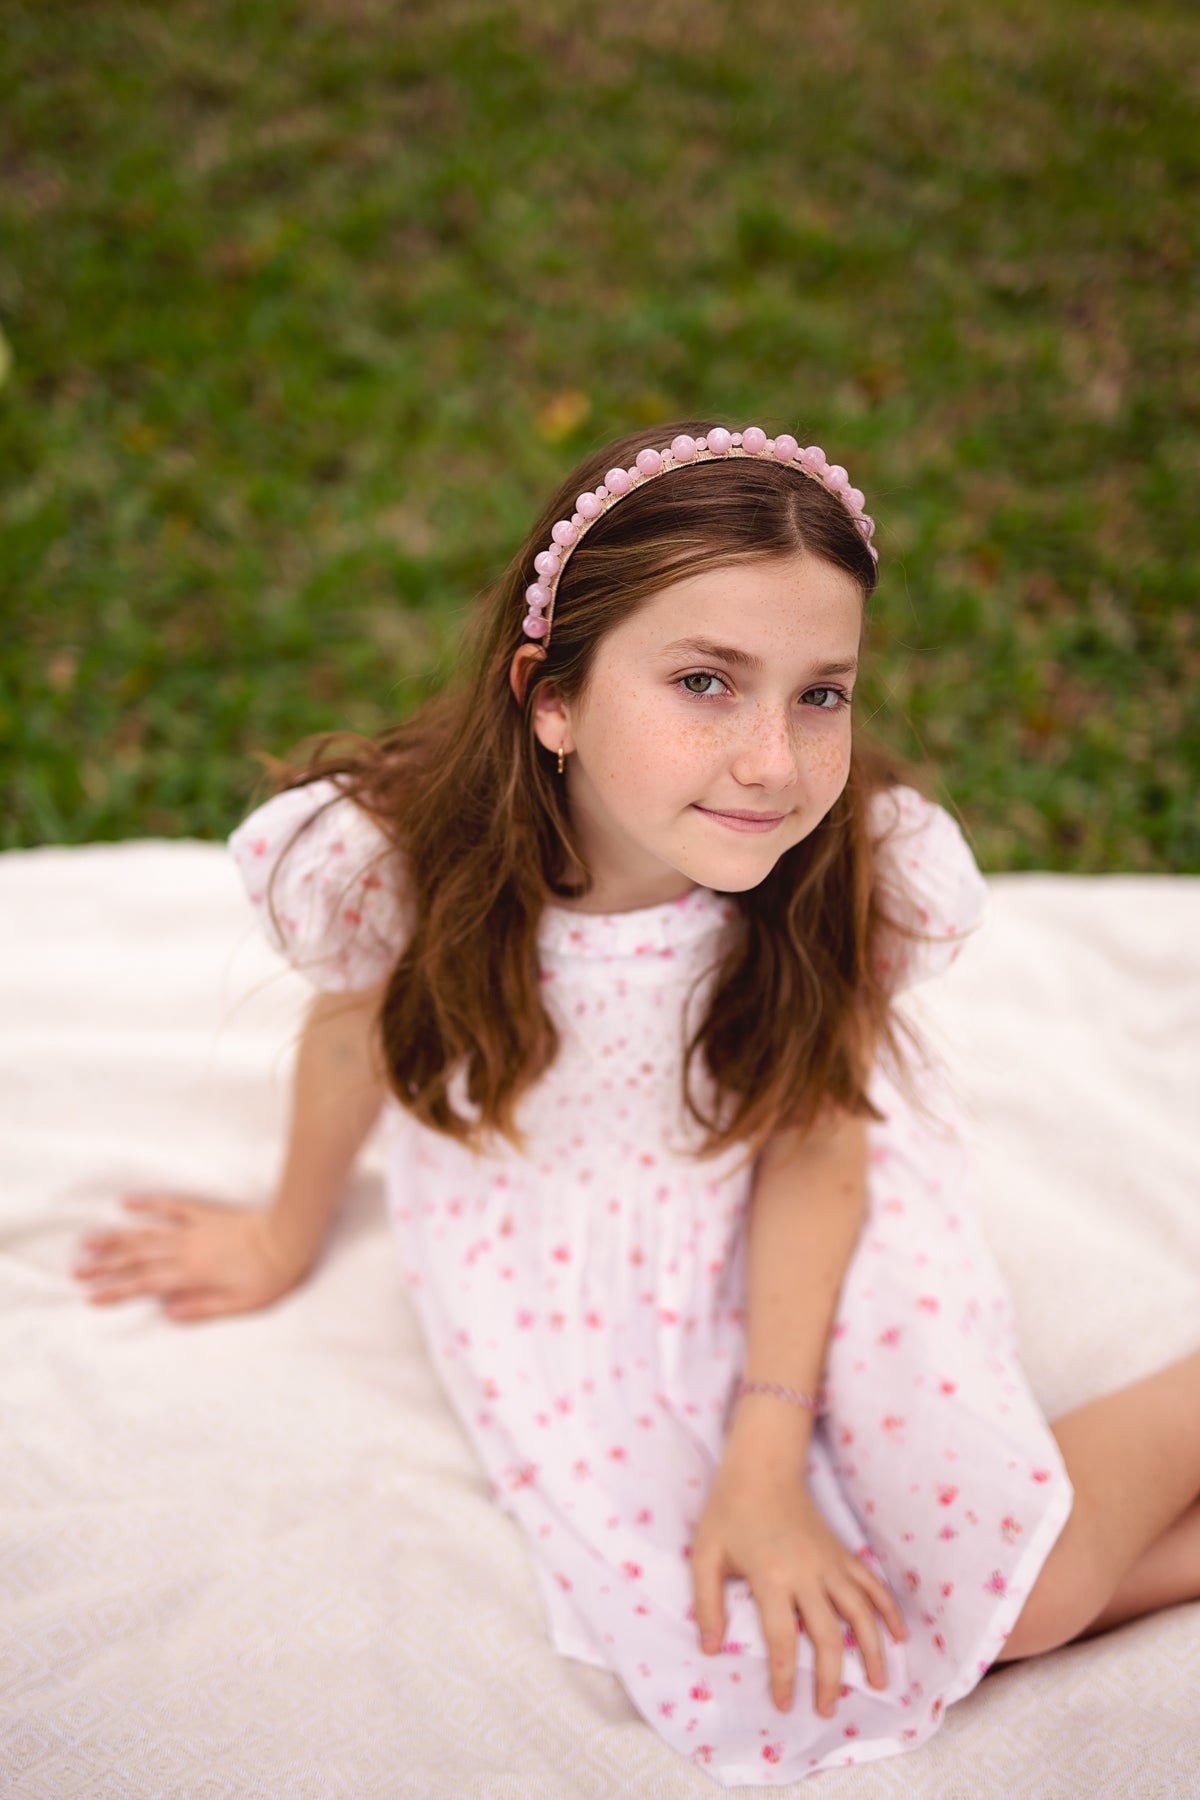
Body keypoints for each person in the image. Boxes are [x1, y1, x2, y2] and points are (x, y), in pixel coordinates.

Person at [72, 424, 1200, 1785]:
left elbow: (820, 1142)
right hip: (571, 1261)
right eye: (705, 682)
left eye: (821, 694)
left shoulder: (847, 872)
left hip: (815, 1228)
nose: (774, 762)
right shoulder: (407, 860)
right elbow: (356, 1036)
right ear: (550, 698)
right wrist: (283, 1231)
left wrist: (764, 1454)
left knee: (1023, 1595)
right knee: (794, 1641)